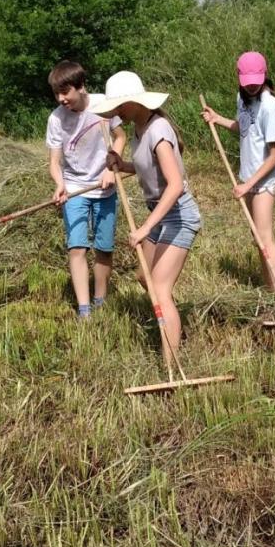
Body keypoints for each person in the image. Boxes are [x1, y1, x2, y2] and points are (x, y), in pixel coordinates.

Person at [92, 71, 202, 359]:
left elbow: (175, 185)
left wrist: (144, 228)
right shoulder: (141, 129)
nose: (116, 112)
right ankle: (173, 323)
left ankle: (172, 366)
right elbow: (146, 168)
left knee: (160, 288)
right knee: (144, 277)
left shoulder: (158, 129)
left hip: (178, 214)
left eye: (119, 106)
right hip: (159, 212)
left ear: (134, 102)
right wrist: (122, 164)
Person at [46, 60, 127, 318]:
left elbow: (121, 137)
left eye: (65, 92)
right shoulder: (56, 120)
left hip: (104, 188)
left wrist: (110, 169)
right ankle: (84, 310)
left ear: (81, 87)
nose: (61, 99)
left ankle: (100, 299)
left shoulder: (104, 105)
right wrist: (60, 185)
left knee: (104, 248)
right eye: (56, 93)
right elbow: (54, 162)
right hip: (74, 189)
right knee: (77, 247)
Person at [201, 51, 275, 291]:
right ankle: (272, 291)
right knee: (258, 240)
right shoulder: (243, 99)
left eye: (255, 83)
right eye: (246, 83)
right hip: (248, 178)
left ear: (264, 76)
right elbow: (244, 127)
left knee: (265, 240)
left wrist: (248, 185)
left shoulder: (269, 106)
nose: (251, 87)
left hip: (263, 181)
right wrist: (217, 119)